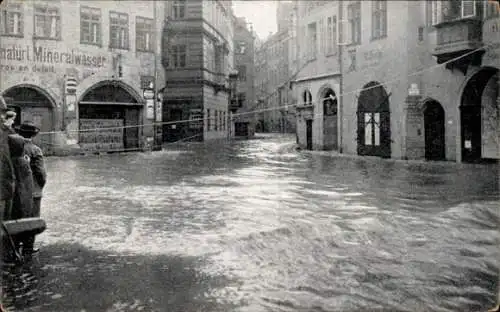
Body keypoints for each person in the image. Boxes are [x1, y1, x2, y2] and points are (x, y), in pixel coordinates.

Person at [16, 121, 46, 257]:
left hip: (16, 190)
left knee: (17, 218)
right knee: (32, 219)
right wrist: (40, 185)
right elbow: (41, 173)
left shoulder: (13, 148)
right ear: (33, 135)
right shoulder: (35, 150)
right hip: (33, 190)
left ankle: (16, 246)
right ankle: (28, 247)